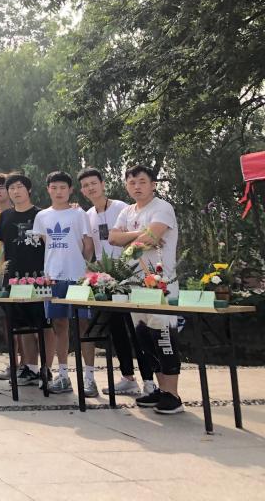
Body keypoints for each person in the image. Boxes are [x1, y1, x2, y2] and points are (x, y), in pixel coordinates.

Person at [109, 165, 183, 415]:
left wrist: (133, 239)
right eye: (131, 182)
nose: (137, 186)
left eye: (142, 181)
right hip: (135, 285)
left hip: (161, 284)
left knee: (164, 337)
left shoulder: (162, 207)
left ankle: (173, 394)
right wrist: (142, 234)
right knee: (145, 339)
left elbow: (152, 239)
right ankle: (160, 390)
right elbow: (113, 238)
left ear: (153, 185)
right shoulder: (127, 211)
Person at [78, 167, 153, 396]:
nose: (91, 188)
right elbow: (91, 249)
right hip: (107, 281)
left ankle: (150, 381)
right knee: (116, 329)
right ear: (82, 190)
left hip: (131, 275)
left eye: (94, 183)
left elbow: (138, 237)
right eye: (86, 185)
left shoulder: (121, 208)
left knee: (138, 328)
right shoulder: (87, 214)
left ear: (103, 184)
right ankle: (128, 377)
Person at [35, 171, 97, 396]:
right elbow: (46, 244)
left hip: (78, 278)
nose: (58, 191)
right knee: (59, 326)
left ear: (70, 190)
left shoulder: (79, 213)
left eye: (63, 187)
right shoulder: (42, 216)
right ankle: (63, 376)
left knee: (83, 326)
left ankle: (89, 378)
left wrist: (83, 269)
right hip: (53, 278)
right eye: (54, 188)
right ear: (48, 190)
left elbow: (88, 245)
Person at [0, 172, 44, 386]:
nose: (15, 191)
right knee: (22, 324)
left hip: (38, 276)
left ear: (29, 189)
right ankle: (31, 368)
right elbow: (4, 247)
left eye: (19, 187)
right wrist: (2, 272)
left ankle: (47, 369)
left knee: (43, 325)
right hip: (13, 278)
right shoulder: (4, 216)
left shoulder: (42, 215)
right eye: (11, 188)